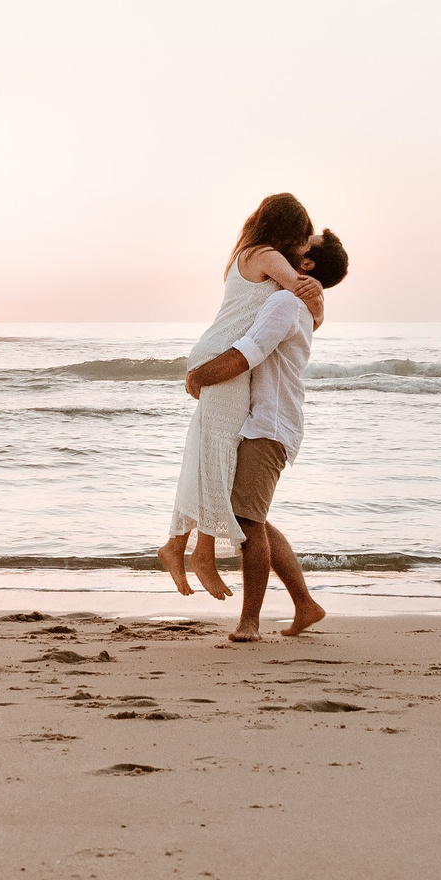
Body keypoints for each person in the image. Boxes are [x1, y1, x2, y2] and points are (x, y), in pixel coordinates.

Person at [181, 230, 348, 640]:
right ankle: (305, 605)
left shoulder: (285, 302)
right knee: (253, 517)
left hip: (267, 427)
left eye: (303, 243)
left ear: (306, 264)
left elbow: (247, 353)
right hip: (266, 423)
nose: (293, 244)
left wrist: (198, 376)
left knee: (247, 522)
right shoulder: (296, 302)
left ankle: (250, 623)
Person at [158, 194, 323, 598]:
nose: (304, 247)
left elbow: (296, 311)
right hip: (222, 357)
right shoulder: (265, 255)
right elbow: (303, 298)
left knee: (214, 452)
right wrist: (316, 288)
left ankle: (183, 547)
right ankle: (197, 553)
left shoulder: (248, 255)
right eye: (302, 238)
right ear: (287, 232)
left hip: (224, 355)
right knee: (217, 452)